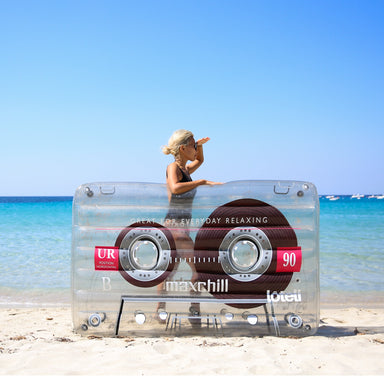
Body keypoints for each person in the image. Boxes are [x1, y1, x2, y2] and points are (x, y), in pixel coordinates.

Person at [155, 129, 221, 325]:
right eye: (192, 145)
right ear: (183, 148)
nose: (195, 149)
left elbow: (200, 161)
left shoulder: (185, 170)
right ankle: (194, 312)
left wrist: (199, 146)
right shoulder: (172, 167)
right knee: (198, 269)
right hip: (175, 227)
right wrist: (202, 182)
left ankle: (159, 312)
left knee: (170, 271)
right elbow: (175, 187)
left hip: (177, 227)